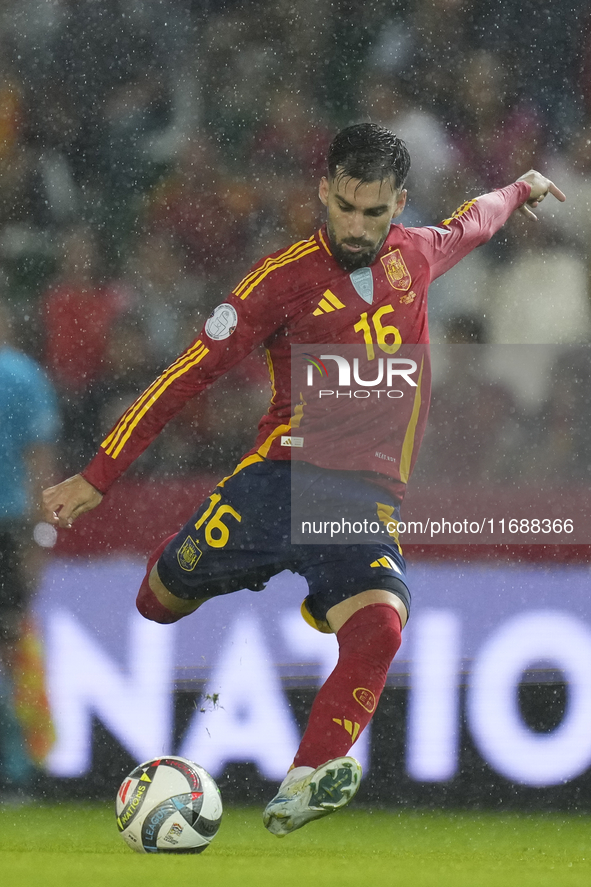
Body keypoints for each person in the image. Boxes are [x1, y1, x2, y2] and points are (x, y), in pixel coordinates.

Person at [41, 124, 565, 836]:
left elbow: (476, 219)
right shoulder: (278, 282)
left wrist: (521, 188)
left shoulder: (417, 251)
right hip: (275, 483)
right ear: (324, 191)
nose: (356, 225)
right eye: (344, 207)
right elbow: (184, 375)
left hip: (359, 500)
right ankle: (216, 558)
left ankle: (302, 781)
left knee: (382, 624)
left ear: (397, 203)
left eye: (373, 212)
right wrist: (98, 473)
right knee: (157, 601)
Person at [0, 299, 60, 801]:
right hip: (9, 530)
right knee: (11, 647)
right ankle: (17, 768)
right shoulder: (23, 377)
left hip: (8, 528)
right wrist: (43, 536)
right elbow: (39, 463)